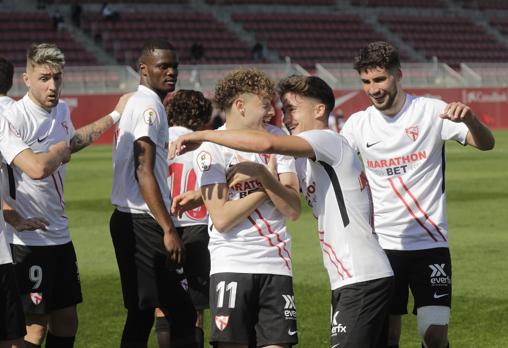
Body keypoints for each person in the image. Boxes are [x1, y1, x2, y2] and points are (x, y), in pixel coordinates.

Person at [170, 75, 394, 348]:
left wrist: (203, 133)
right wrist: (203, 195)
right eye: (278, 107)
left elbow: (269, 152)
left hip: (360, 273)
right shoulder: (310, 156)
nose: (281, 116)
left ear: (319, 110)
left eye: (291, 109)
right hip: (349, 275)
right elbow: (276, 189)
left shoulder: (324, 141)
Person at [340, 41, 495, 348]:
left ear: (398, 75)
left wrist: (470, 119)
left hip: (430, 243)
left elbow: (486, 143)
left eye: (380, 79)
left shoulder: (431, 111)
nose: (373, 89)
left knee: (434, 336)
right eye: (366, 82)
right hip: (382, 247)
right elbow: (337, 164)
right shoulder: (357, 124)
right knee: (388, 335)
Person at [3, 42, 129, 348]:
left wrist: (114, 116)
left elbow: (71, 142)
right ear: (27, 79)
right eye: (44, 78)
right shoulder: (14, 117)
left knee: (67, 319)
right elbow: (41, 165)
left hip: (59, 234)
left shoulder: (60, 110)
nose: (52, 85)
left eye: (57, 78)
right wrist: (15, 216)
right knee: (35, 327)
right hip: (27, 241)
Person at [180, 70, 301, 348]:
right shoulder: (212, 148)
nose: (272, 111)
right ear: (240, 106)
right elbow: (222, 218)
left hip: (276, 265)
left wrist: (261, 175)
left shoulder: (277, 138)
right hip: (231, 264)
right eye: (265, 104)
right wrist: (266, 185)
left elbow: (293, 209)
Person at [110, 39, 197, 347]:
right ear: (144, 69)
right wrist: (168, 228)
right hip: (143, 221)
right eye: (163, 66)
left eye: (174, 66)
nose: (171, 72)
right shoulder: (149, 107)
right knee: (182, 314)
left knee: (142, 312)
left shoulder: (136, 101)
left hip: (128, 218)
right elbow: (143, 169)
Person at [155, 90, 212, 348]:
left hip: (163, 227)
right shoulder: (207, 142)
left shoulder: (158, 139)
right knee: (196, 309)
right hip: (198, 227)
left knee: (163, 305)